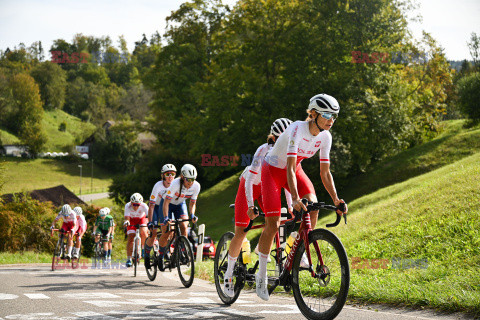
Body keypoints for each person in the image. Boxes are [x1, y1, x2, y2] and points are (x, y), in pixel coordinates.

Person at [255, 94, 348, 301]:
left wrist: (336, 200)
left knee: (313, 205)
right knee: (273, 223)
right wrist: (295, 198)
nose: (331, 120)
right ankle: (261, 276)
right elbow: (287, 165)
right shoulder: (297, 128)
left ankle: (299, 251)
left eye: (334, 116)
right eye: (326, 115)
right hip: (272, 171)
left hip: (294, 170)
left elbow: (325, 173)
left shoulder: (326, 136)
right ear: (313, 113)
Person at [223, 118, 293, 297]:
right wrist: (251, 205)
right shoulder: (263, 150)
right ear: (274, 138)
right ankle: (228, 275)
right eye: (281, 138)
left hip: (267, 188)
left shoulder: (290, 153)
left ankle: (260, 248)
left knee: (274, 223)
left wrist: (292, 206)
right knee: (241, 232)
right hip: (250, 186)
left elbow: (288, 184)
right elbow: (251, 180)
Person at [156, 164, 200, 271]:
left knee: (184, 226)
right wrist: (166, 217)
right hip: (168, 204)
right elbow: (166, 202)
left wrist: (192, 215)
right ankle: (161, 256)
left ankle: (182, 250)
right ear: (182, 177)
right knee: (167, 232)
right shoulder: (175, 184)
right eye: (188, 180)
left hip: (180, 204)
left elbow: (192, 203)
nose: (190, 182)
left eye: (192, 180)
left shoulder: (196, 186)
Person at [144, 164, 177, 269]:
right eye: (168, 174)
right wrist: (150, 221)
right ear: (163, 176)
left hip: (166, 208)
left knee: (168, 231)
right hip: (156, 208)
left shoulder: (176, 185)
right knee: (153, 233)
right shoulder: (158, 186)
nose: (170, 176)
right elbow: (151, 205)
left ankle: (165, 251)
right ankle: (147, 255)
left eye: (173, 174)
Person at [123, 193, 148, 268]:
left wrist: (149, 224)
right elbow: (127, 218)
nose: (136, 207)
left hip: (141, 219)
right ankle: (129, 259)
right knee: (131, 237)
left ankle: (143, 250)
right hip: (132, 220)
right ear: (131, 203)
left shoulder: (144, 206)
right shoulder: (127, 205)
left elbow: (149, 216)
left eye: (138, 205)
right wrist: (127, 222)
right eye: (134, 205)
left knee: (144, 232)